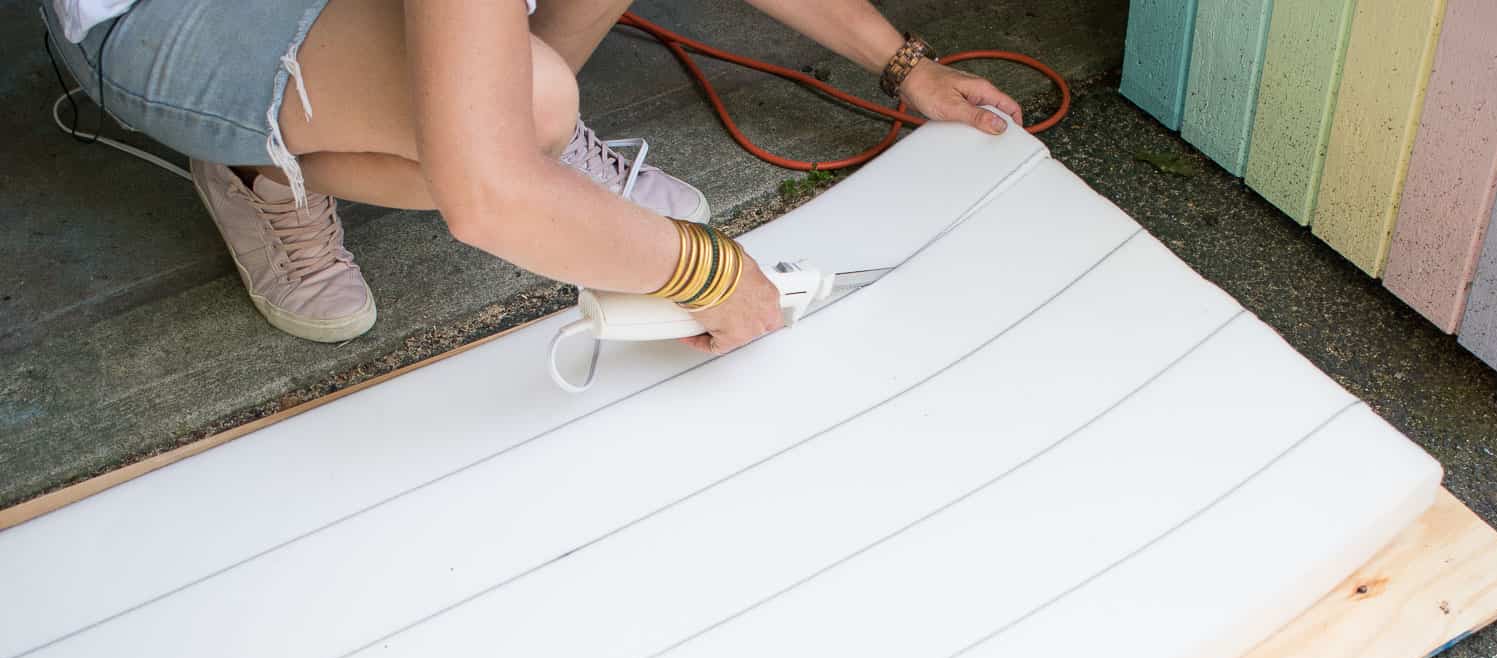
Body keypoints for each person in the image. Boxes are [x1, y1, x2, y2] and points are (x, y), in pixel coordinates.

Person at [44, 0, 1023, 355]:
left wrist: (904, 64)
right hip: (159, 21)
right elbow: (487, 194)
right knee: (528, 111)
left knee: (515, 105)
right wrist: (706, 274)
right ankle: (249, 157)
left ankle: (476, 107)